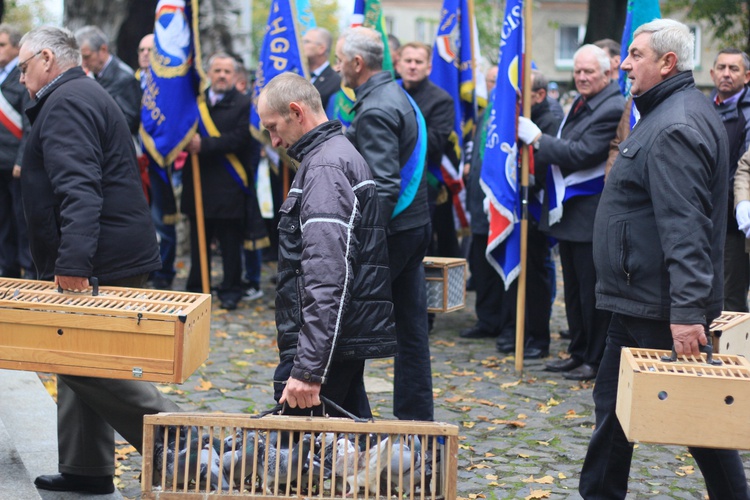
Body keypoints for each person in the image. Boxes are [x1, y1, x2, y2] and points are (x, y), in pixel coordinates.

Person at [580, 19, 750, 499]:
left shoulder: (675, 123)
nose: (625, 64)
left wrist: (685, 313)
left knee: (701, 426)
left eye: (635, 55)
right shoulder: (665, 111)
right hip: (636, 299)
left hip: (658, 305)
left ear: (667, 62)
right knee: (613, 414)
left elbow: (686, 226)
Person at [17, 26, 181, 495]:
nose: (22, 78)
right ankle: (85, 470)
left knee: (85, 362)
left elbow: (80, 190)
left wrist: (72, 263)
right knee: (76, 359)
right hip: (104, 251)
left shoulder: (67, 101)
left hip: (98, 258)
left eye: (24, 67)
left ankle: (182, 439)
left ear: (47, 59)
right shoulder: (77, 92)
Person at [257, 72, 396, 417]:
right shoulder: (330, 157)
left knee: (301, 459)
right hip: (334, 340)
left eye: (273, 127)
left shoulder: (325, 167)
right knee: (349, 455)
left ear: (296, 112)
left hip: (324, 345)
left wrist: (307, 369)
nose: (273, 140)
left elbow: (327, 273)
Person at [336, 27, 434, 421]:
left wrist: (364, 243)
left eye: (341, 60)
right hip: (412, 227)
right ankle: (416, 422)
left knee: (350, 325)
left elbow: (384, 186)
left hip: (391, 233)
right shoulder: (393, 94)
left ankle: (346, 417)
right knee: (412, 333)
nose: (338, 67)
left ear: (357, 64)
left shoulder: (376, 107)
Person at [518, 44, 624, 381]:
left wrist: (538, 139)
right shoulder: (582, 102)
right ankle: (578, 351)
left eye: (588, 71)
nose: (581, 77)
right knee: (575, 292)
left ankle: (593, 359)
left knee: (591, 292)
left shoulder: (611, 106)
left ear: (608, 73)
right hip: (570, 213)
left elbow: (583, 153)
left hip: (590, 213)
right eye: (577, 71)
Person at [182, 53, 258, 310]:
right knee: (198, 242)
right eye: (217, 71)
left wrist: (204, 144)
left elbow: (240, 138)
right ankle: (197, 287)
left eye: (227, 71)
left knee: (229, 244)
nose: (222, 75)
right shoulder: (196, 101)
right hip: (198, 184)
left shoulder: (244, 103)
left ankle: (230, 290)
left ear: (235, 76)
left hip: (229, 186)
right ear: (209, 74)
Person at [398, 42, 460, 261]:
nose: (413, 66)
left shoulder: (441, 100)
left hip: (425, 185)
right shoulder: (389, 92)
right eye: (408, 61)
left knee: (421, 250)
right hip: (390, 181)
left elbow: (433, 142)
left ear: (429, 67)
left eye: (418, 61)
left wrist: (391, 141)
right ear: (398, 64)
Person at [709, 48, 750, 312]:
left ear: (747, 76)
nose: (726, 74)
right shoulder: (705, 107)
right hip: (708, 216)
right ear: (711, 73)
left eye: (733, 69)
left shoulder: (747, 113)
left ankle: (736, 353)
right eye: (721, 67)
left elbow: (743, 168)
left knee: (730, 297)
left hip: (735, 221)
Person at [137, 32, 178, 290]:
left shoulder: (168, 86)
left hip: (161, 162)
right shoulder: (128, 82)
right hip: (133, 162)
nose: (144, 54)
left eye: (150, 50)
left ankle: (164, 273)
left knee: (163, 221)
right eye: (141, 49)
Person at [0, 23, 33, 279]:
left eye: (2, 45)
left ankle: (28, 271)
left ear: (15, 47)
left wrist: (22, 159)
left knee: (22, 222)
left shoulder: (21, 76)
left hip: (15, 164)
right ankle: (7, 270)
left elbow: (28, 124)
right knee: (3, 223)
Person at [74, 25, 141, 136]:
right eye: (81, 58)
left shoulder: (124, 78)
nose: (83, 63)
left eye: (86, 57)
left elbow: (129, 121)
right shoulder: (93, 75)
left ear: (103, 50)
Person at [302, 27, 340, 114]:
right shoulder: (297, 74)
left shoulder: (335, 81)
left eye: (306, 42)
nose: (301, 46)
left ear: (321, 49)